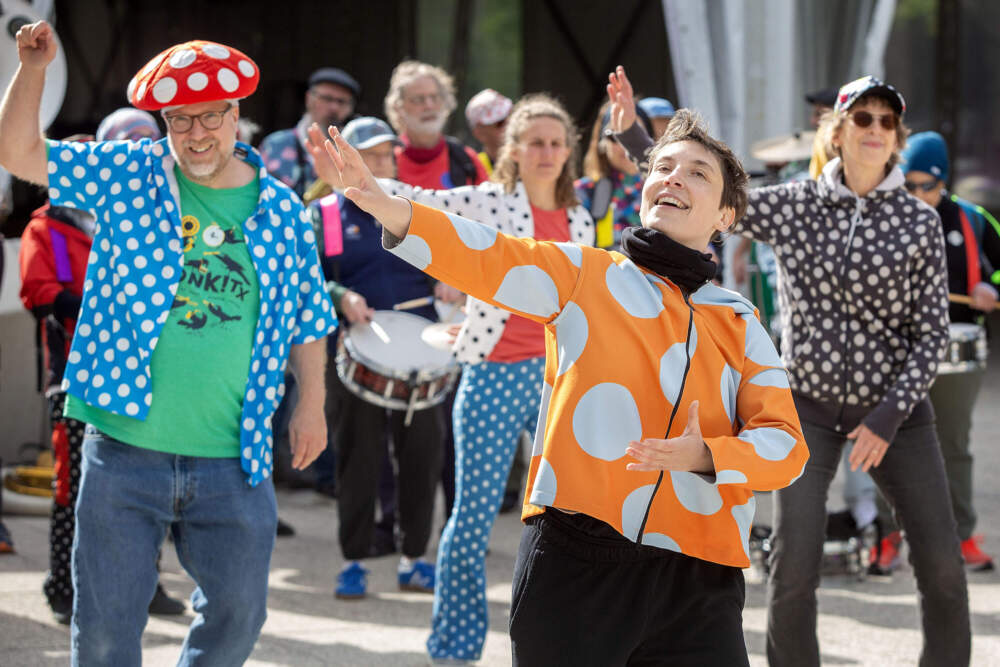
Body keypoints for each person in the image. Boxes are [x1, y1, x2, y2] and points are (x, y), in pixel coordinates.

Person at [318, 100, 809, 664]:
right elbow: (491, 257)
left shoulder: (740, 319)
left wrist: (709, 455)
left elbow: (787, 450)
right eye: (663, 167)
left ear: (727, 214)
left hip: (700, 576)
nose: (673, 177)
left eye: (698, 172)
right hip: (577, 555)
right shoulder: (586, 273)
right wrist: (391, 209)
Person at [609, 67, 972, 666]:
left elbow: (930, 333)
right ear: (838, 128)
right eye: (862, 117)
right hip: (807, 410)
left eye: (887, 121)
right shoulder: (796, 205)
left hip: (898, 418)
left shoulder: (918, 221)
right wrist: (632, 140)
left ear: (897, 136)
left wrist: (885, 417)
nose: (875, 129)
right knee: (794, 566)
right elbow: (706, 190)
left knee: (942, 566)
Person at [0, 23, 335, 664]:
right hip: (124, 448)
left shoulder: (285, 210)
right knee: (103, 632)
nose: (197, 134)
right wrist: (34, 70)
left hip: (232, 456)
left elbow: (310, 316)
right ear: (164, 122)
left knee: (239, 616)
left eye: (212, 117)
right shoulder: (127, 173)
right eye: (180, 120)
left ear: (238, 115)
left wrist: (311, 403)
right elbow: (17, 153)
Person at [313, 94, 595, 662]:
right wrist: (364, 185)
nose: (546, 152)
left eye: (556, 142)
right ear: (513, 148)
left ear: (569, 152)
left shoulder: (582, 219)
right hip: (492, 372)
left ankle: (559, 642)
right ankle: (454, 648)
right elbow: (421, 203)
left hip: (558, 383)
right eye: (534, 141)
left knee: (569, 519)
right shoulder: (490, 201)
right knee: (471, 520)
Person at [18, 109, 186, 625]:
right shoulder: (45, 227)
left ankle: (149, 583)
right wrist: (110, 302)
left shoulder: (147, 218)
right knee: (74, 487)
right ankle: (62, 586)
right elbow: (40, 296)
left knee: (150, 484)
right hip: (73, 379)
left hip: (146, 374)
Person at [307, 116, 445, 598]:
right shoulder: (324, 214)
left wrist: (449, 283)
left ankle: (413, 559)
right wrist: (340, 295)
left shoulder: (416, 207)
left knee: (421, 461)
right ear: (346, 161)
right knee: (359, 462)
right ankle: (354, 562)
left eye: (388, 154)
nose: (382, 163)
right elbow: (307, 280)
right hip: (358, 351)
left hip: (423, 351)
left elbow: (446, 264)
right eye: (372, 154)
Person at [894, 131, 998, 571]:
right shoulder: (887, 217)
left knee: (952, 445)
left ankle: (961, 534)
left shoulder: (973, 220)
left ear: (944, 181)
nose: (918, 195)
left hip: (958, 344)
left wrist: (989, 287)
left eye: (927, 186)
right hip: (898, 345)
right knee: (887, 440)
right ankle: (887, 536)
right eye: (909, 186)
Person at [384, 60, 488, 190]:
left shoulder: (467, 160)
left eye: (435, 97)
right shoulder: (384, 159)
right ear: (398, 107)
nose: (429, 105)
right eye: (418, 99)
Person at [259, 66, 360, 196]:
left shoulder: (356, 151)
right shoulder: (274, 144)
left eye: (342, 102)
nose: (334, 107)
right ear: (308, 99)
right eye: (327, 98)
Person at [575, 102, 651, 250]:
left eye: (635, 133)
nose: (626, 144)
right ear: (602, 143)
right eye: (615, 136)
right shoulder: (582, 192)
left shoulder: (666, 190)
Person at [464, 88, 512, 176]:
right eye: (500, 122)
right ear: (479, 133)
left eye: (512, 116)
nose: (510, 124)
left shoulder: (532, 161)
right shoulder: (472, 171)